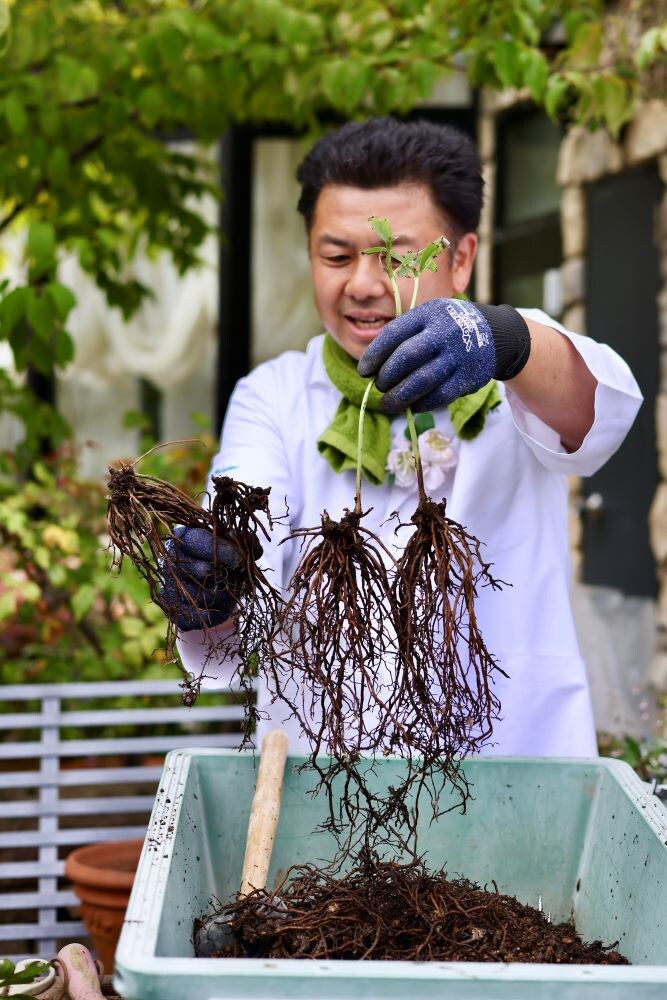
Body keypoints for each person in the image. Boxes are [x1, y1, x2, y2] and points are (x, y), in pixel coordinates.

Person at [170, 116, 642, 757]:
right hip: (330, 773)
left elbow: (600, 413)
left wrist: (506, 341)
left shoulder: (516, 364)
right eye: (336, 256)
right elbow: (247, 547)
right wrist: (211, 582)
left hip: (518, 761)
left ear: (463, 258)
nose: (364, 285)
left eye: (395, 258)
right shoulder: (274, 396)